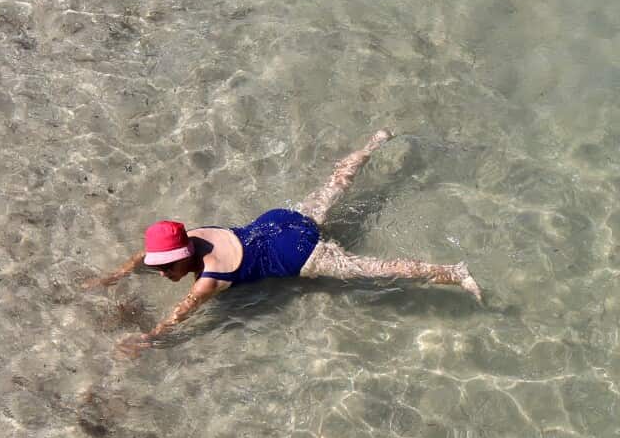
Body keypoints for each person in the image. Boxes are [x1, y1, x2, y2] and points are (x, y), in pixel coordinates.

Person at [86, 129, 482, 357]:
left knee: (373, 269)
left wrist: (149, 337)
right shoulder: (195, 235)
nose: (162, 273)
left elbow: (183, 312)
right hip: (278, 222)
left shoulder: (209, 279)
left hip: (298, 254)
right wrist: (114, 276)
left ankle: (454, 271)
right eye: (158, 267)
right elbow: (145, 254)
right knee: (334, 184)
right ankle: (376, 141)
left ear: (184, 256)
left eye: (166, 268)